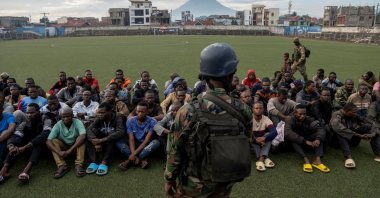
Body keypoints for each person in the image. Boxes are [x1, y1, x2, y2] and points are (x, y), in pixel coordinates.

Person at [165, 43, 252, 197]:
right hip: (225, 180)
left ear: (204, 76)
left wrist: (169, 179)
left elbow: (175, 151)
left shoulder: (187, 111)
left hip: (194, 184)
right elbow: (247, 140)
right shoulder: (243, 109)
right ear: (231, 75)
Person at [0, 103, 50, 183]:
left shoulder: (46, 118)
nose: (29, 115)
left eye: (32, 113)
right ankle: (4, 171)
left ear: (38, 112)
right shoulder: (24, 123)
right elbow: (16, 135)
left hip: (44, 147)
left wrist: (25, 147)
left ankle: (26, 171)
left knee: (38, 143)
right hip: (28, 148)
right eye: (27, 113)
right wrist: (11, 146)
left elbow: (46, 134)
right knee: (14, 146)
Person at [330, 103, 380, 168]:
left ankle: (378, 154)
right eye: (354, 112)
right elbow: (339, 129)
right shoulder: (336, 114)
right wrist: (359, 135)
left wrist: (372, 134)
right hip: (336, 142)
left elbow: (370, 122)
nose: (356, 113)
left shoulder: (354, 115)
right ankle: (348, 157)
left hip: (352, 140)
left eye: (356, 112)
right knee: (341, 133)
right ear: (346, 111)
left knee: (369, 127)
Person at [285, 104, 330, 173]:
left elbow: (320, 128)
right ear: (295, 113)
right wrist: (305, 141)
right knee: (293, 139)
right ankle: (306, 160)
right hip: (296, 142)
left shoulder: (309, 119)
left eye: (304, 114)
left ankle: (317, 160)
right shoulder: (289, 119)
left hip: (307, 138)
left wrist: (318, 139)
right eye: (300, 114)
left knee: (319, 136)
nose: (302, 116)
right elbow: (288, 133)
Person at [46, 107, 86, 179]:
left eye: (68, 116)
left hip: (74, 147)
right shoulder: (58, 125)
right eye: (63, 117)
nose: (66, 118)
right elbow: (48, 141)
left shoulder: (78, 122)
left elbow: (83, 136)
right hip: (64, 147)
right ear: (61, 117)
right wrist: (59, 152)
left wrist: (70, 150)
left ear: (72, 115)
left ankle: (79, 165)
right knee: (53, 141)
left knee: (80, 140)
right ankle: (62, 166)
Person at [118, 102, 160, 170]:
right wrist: (133, 153)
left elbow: (147, 140)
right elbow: (131, 139)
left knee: (156, 142)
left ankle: (130, 160)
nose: (140, 113)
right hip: (134, 143)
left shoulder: (153, 121)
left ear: (147, 112)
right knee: (119, 142)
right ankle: (140, 160)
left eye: (143, 112)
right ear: (136, 111)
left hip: (145, 144)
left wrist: (133, 154)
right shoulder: (130, 121)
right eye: (138, 111)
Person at [86, 102, 125, 176]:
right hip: (101, 140)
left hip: (111, 142)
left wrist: (101, 140)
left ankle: (104, 162)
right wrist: (95, 140)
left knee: (112, 136)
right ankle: (94, 161)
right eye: (98, 112)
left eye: (102, 112)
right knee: (91, 134)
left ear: (109, 111)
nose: (100, 114)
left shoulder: (118, 118)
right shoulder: (98, 118)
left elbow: (120, 132)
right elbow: (89, 129)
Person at [251, 102, 277, 172]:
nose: (258, 110)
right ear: (252, 109)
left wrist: (264, 138)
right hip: (252, 141)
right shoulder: (249, 119)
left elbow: (274, 132)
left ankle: (261, 159)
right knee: (250, 138)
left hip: (263, 141)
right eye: (256, 108)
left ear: (263, 110)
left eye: (260, 108)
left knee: (268, 135)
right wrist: (255, 140)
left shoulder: (266, 119)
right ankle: (265, 158)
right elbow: (247, 134)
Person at [0, 103, 16, 169]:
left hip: (5, 138)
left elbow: (11, 128)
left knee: (5, 133)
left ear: (2, 110)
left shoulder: (8, 116)